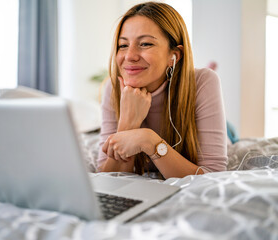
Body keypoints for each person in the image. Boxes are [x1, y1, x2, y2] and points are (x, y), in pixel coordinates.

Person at [97, 2, 227, 178]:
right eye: (123, 45)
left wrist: (149, 141)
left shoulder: (204, 81)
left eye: (145, 44)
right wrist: (127, 125)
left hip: (201, 111)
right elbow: (107, 180)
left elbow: (213, 176)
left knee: (229, 134)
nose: (129, 56)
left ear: (174, 56)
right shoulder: (113, 89)